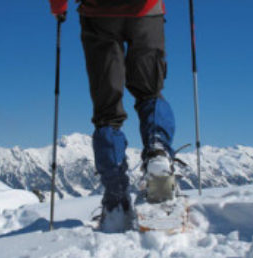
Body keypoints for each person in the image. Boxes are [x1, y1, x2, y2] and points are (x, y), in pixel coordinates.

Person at [49, 0, 175, 232]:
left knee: (107, 111)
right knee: (149, 92)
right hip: (146, 10)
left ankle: (116, 199)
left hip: (98, 14)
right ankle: (157, 152)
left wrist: (58, 7)